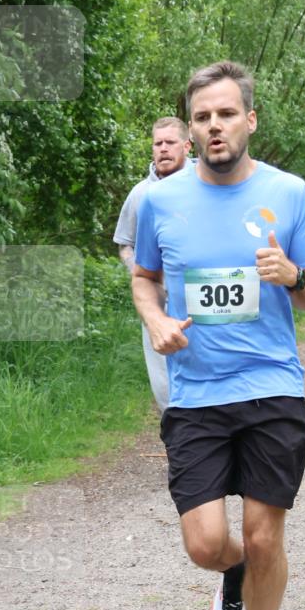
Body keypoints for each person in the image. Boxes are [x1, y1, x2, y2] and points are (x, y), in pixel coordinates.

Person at [132, 61, 305, 610]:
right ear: (190, 130)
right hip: (196, 396)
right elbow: (144, 278)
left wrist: (292, 276)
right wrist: (156, 320)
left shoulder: (289, 193)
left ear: (250, 119)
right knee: (206, 545)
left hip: (272, 386)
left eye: (225, 114)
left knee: (268, 535)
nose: (214, 126)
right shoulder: (160, 201)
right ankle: (236, 572)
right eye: (202, 117)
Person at [113, 117, 192, 410]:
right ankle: (174, 428)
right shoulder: (140, 195)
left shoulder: (206, 184)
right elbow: (125, 243)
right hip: (160, 303)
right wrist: (141, 274)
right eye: (158, 144)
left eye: (170, 142)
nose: (163, 149)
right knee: (165, 387)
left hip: (201, 300)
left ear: (187, 146)